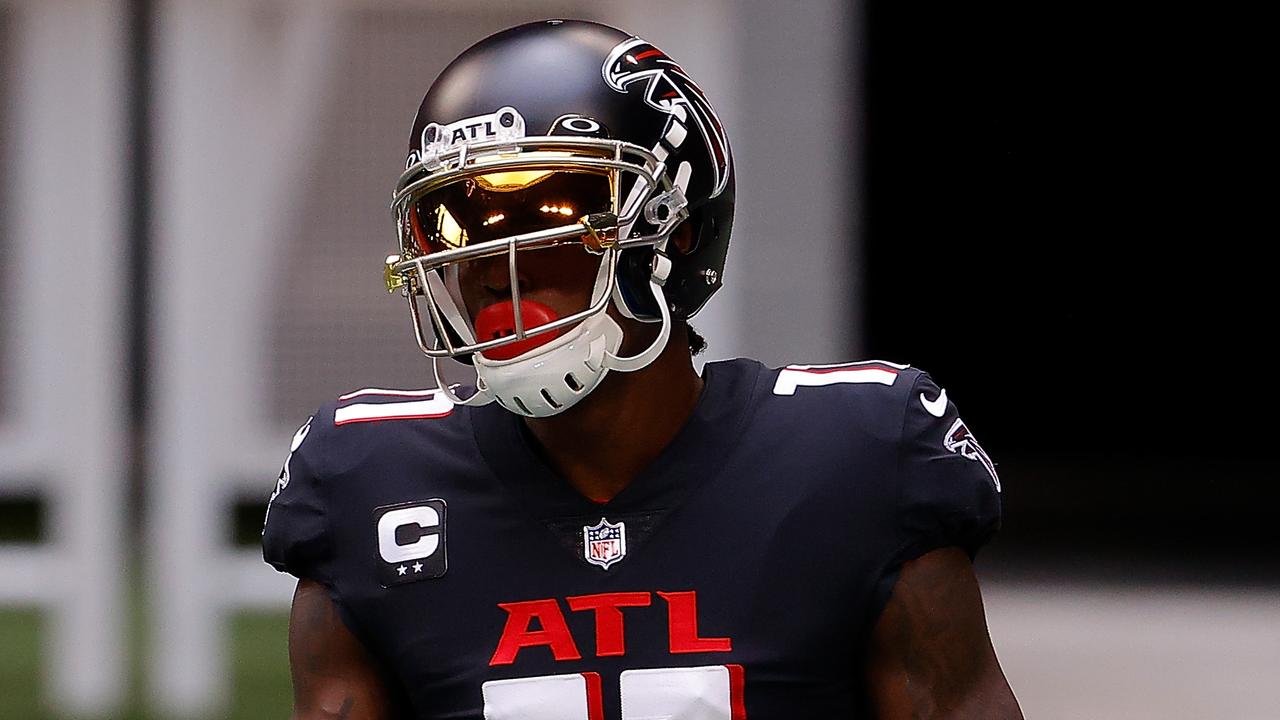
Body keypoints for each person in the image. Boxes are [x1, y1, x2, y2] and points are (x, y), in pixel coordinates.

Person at [262, 18, 1022, 720]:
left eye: (553, 214)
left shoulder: (858, 453)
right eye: (460, 221)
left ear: (677, 231)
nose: (496, 266)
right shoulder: (364, 481)